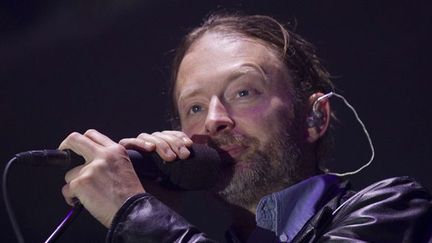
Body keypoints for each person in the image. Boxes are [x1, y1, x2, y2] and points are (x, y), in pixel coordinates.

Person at [59, 13, 432, 242]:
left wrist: (136, 214)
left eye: (243, 91)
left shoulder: (394, 212)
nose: (214, 119)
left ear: (315, 117)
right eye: (195, 107)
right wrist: (155, 210)